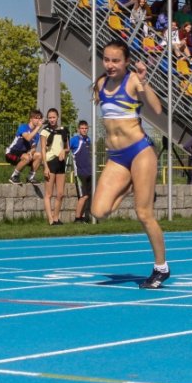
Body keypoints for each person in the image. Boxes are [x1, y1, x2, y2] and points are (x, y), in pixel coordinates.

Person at [91, 39, 170, 289]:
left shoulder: (134, 80)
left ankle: (161, 268)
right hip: (116, 158)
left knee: (144, 213)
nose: (110, 65)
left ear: (126, 62)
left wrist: (145, 82)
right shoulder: (101, 84)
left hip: (139, 152)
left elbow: (157, 110)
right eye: (107, 60)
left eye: (116, 60)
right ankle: (129, 186)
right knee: (99, 212)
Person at [40, 108, 69, 225]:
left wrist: (64, 151)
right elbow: (42, 149)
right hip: (50, 162)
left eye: (54, 117)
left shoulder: (64, 130)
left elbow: (67, 147)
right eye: (50, 117)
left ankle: (56, 217)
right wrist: (45, 166)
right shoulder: (44, 131)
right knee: (49, 194)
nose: (52, 119)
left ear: (58, 117)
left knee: (60, 193)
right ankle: (50, 219)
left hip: (61, 163)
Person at [7, 110, 43, 184]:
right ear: (31, 119)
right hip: (12, 152)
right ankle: (14, 176)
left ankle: (30, 177)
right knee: (26, 157)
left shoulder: (37, 134)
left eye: (40, 119)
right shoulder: (23, 127)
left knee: (39, 155)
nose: (38, 120)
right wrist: (38, 127)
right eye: (36, 118)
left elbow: (33, 148)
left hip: (23, 154)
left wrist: (31, 152)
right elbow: (28, 137)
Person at [70, 120, 92, 223]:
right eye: (82, 128)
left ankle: (82, 217)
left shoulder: (88, 140)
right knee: (82, 196)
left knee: (87, 196)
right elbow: (66, 148)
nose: (84, 130)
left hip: (88, 172)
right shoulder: (75, 140)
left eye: (85, 128)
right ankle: (77, 218)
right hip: (79, 173)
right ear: (79, 129)